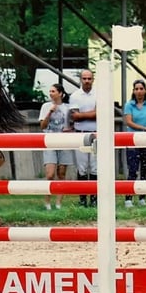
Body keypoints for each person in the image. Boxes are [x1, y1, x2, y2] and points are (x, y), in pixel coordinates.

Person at [122, 79, 146, 208]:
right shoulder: (129, 105)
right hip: (133, 140)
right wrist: (144, 128)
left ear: (145, 90)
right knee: (132, 170)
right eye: (136, 89)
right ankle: (128, 198)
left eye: (141, 89)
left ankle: (142, 197)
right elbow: (129, 122)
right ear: (133, 91)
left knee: (145, 170)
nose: (139, 91)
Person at [38, 83, 74, 210]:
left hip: (64, 142)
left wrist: (69, 130)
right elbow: (42, 126)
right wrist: (50, 112)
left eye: (53, 91)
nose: (51, 93)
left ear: (60, 94)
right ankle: (47, 202)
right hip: (50, 141)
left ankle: (58, 203)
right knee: (50, 174)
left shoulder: (67, 108)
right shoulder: (45, 106)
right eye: (50, 91)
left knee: (62, 173)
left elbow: (72, 125)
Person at [68, 69, 97, 207]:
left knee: (95, 167)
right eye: (84, 78)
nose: (87, 81)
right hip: (80, 133)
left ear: (93, 79)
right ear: (81, 79)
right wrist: (92, 113)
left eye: (89, 78)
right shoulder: (75, 96)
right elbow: (74, 116)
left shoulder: (99, 94)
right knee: (82, 167)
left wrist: (82, 115)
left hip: (96, 133)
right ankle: (83, 199)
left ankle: (94, 199)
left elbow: (100, 114)